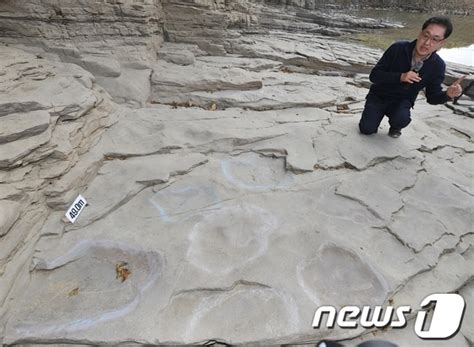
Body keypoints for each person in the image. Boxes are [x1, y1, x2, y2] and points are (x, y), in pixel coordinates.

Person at [359, 16, 465, 138]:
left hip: (402, 101)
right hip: (379, 96)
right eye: (426, 36)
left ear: (442, 43)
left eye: (435, 39)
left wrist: (448, 95)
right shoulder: (397, 48)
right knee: (366, 129)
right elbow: (374, 76)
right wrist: (401, 77)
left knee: (401, 118)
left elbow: (432, 97)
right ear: (420, 33)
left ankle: (396, 126)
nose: (427, 43)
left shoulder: (437, 66)